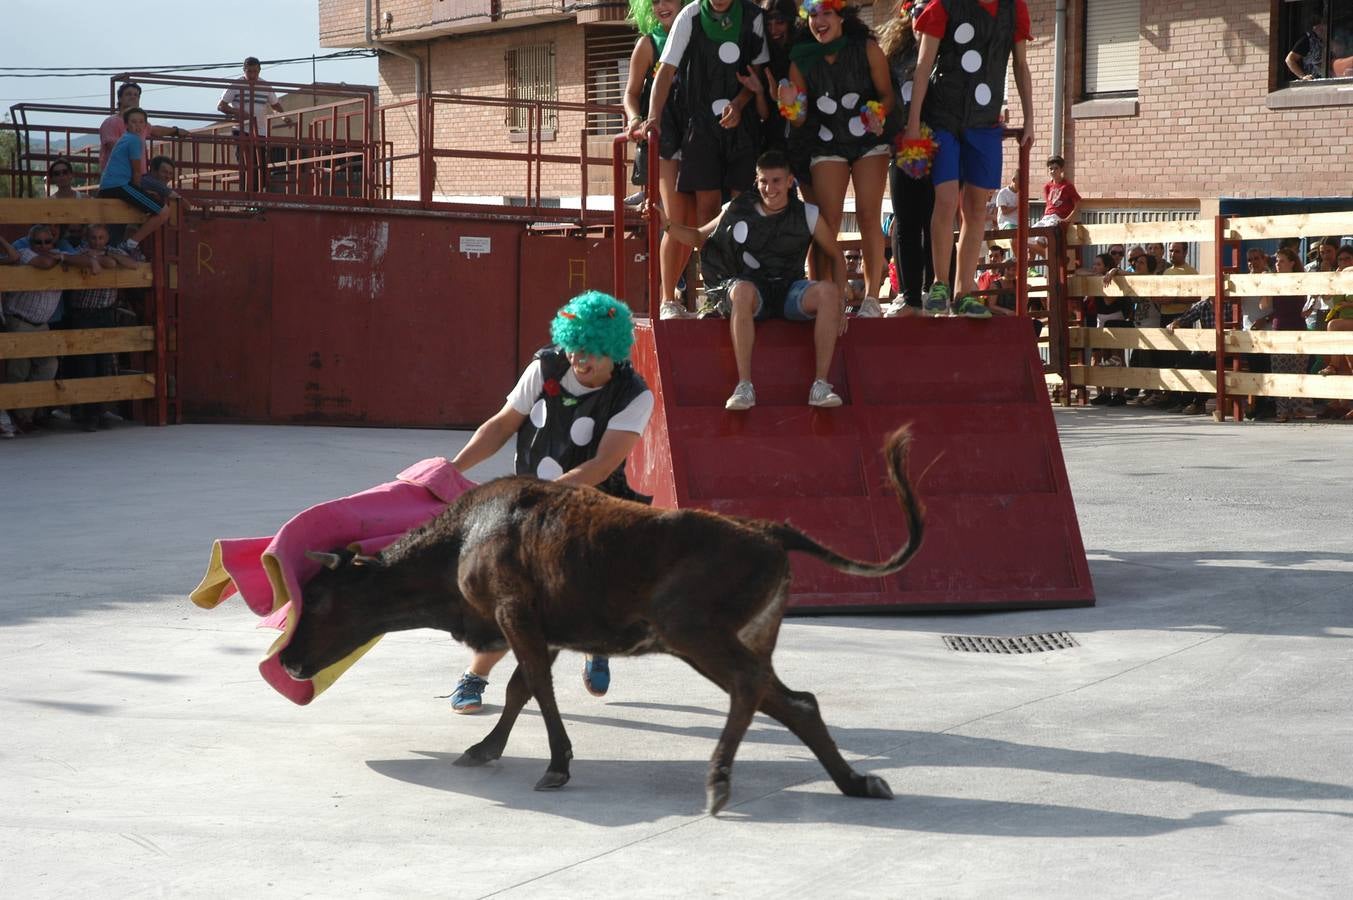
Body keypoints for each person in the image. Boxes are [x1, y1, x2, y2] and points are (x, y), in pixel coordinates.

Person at [444, 291, 655, 713]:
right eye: (575, 347)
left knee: (590, 592)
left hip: (594, 506)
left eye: (593, 351)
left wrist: (544, 500)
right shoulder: (546, 366)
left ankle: (597, 646)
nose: (581, 359)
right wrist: (452, 471)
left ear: (612, 350)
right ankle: (476, 676)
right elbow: (502, 425)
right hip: (528, 499)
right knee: (511, 594)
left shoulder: (634, 395)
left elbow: (602, 463)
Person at [656, 149, 848, 411]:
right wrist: (668, 226)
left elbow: (837, 256)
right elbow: (700, 237)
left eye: (777, 181)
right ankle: (744, 386)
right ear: (756, 182)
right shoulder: (736, 207)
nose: (770, 188)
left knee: (827, 292)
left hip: (790, 289)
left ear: (790, 181)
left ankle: (820, 385)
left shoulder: (808, 213)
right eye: (764, 181)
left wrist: (841, 303)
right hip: (752, 290)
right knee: (742, 291)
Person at [906, 0, 1033, 318]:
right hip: (943, 118)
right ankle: (939, 283)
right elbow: (923, 66)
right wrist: (912, 122)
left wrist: (1030, 117)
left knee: (977, 207)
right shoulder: (944, 6)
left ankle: (964, 291)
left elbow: (1019, 64)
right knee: (946, 200)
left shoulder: (1013, 8)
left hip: (985, 122)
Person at [778, 0, 894, 319]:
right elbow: (799, 119)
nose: (820, 21)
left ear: (841, 16)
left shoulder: (867, 48)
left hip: (869, 141)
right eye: (814, 15)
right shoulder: (800, 60)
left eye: (827, 13)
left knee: (868, 214)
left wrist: (878, 112)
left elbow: (887, 95)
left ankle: (871, 298)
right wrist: (790, 107)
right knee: (826, 220)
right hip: (826, 142)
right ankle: (829, 295)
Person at [643, 0, 770, 231]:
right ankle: (710, 267)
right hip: (701, 125)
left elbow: (757, 72)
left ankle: (738, 266)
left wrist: (739, 104)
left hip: (743, 127)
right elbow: (666, 69)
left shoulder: (753, 16)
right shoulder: (689, 16)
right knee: (707, 207)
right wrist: (654, 116)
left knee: (742, 205)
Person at [623, 0, 697, 319]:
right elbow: (630, 93)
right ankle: (666, 298)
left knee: (693, 222)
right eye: (654, 1)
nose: (661, 6)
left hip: (697, 136)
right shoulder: (648, 44)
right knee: (675, 216)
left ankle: (672, 293)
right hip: (664, 139)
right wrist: (634, 118)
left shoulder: (698, 35)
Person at [880, 0, 933, 317]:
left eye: (927, 12)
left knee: (936, 221)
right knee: (905, 222)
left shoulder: (945, 50)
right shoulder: (895, 55)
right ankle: (910, 295)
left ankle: (938, 291)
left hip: (938, 143)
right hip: (901, 145)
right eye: (916, 11)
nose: (920, 19)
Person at [64, 224, 139, 431]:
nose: (97, 241)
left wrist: (104, 256)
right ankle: (88, 414)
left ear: (106, 239)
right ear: (87, 238)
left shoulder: (112, 250)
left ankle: (99, 411)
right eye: (94, 237)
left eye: (101, 237)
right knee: (86, 365)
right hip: (83, 314)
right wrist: (97, 259)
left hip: (105, 313)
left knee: (104, 363)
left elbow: (132, 265)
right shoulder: (79, 251)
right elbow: (70, 258)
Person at [2, 226, 67, 432]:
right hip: (20, 319)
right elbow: (45, 262)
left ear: (53, 242)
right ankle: (17, 417)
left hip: (42, 323)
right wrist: (63, 257)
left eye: (47, 242)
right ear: (30, 243)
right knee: (18, 371)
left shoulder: (60, 255)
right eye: (38, 242)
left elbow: (91, 260)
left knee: (49, 365)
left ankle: (23, 415)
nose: (43, 246)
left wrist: (68, 257)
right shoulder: (25, 253)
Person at [97, 108, 173, 258]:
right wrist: (139, 192)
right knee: (164, 212)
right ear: (126, 125)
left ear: (145, 125)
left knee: (124, 218)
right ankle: (129, 245)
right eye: (133, 122)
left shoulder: (125, 138)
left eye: (141, 122)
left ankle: (117, 247)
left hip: (109, 186)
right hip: (118, 185)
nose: (137, 126)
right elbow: (137, 171)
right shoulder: (135, 140)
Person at [218, 57, 290, 192]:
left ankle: (258, 195)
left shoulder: (265, 85)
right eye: (249, 72)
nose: (252, 75)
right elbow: (221, 106)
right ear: (244, 70)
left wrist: (283, 116)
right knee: (246, 164)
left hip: (260, 132)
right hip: (241, 130)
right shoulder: (236, 85)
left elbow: (275, 105)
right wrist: (240, 113)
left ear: (259, 71)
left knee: (260, 165)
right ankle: (245, 196)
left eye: (255, 72)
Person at [1258, 247, 1312, 423]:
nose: (1278, 264)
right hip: (1279, 329)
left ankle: (1297, 409)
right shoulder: (1273, 281)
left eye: (1281, 261)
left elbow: (1308, 305)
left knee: (1298, 370)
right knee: (1280, 370)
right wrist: (1266, 287)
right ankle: (1282, 411)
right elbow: (1264, 306)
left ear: (1292, 263)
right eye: (1276, 261)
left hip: (1297, 328)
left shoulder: (1301, 280)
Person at [1029, 155, 1079, 261]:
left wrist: (1067, 220)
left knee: (1042, 239)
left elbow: (1078, 204)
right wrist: (1044, 217)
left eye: (1056, 168)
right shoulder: (1047, 186)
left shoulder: (1067, 186)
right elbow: (1049, 204)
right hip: (1047, 217)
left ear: (1061, 169)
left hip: (1058, 217)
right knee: (1029, 237)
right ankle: (1050, 260)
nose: (1053, 171)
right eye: (1051, 168)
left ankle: (1054, 261)